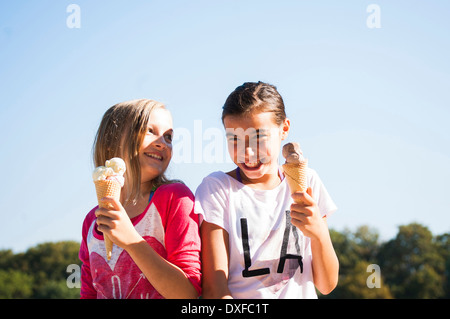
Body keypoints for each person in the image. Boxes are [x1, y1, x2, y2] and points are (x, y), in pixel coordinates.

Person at [195, 82, 339, 299]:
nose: (247, 151)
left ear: (285, 129)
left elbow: (327, 284)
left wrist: (318, 232)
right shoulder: (217, 189)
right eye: (234, 139)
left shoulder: (309, 181)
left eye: (259, 137)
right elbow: (215, 290)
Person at [79, 99, 201, 299]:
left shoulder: (175, 198)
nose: (162, 143)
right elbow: (89, 293)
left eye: (168, 137)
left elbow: (187, 292)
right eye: (150, 131)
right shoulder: (91, 222)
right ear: (112, 142)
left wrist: (132, 241)